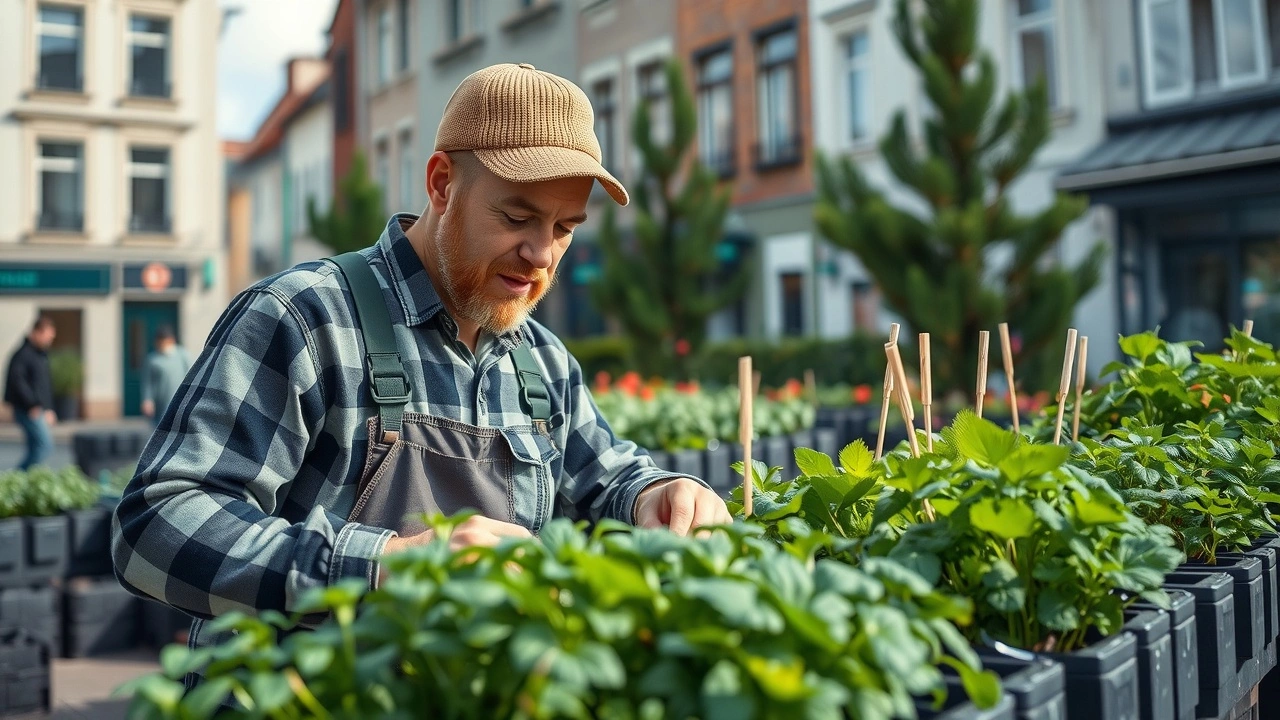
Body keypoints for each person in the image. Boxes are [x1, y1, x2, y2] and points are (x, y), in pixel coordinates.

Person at [112, 62, 731, 688]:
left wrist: (659, 494)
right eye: (517, 218)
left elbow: (610, 480)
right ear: (441, 184)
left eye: (564, 228)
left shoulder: (541, 360)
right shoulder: (304, 318)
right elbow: (154, 526)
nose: (541, 254)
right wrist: (386, 566)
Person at [4, 316, 57, 470]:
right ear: (37, 332)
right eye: (47, 336)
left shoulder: (40, 355)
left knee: (35, 447)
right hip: (29, 410)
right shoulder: (23, 354)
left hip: (37, 408)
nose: (49, 341)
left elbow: (43, 385)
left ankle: (26, 478)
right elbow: (18, 382)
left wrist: (49, 408)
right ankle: (18, 476)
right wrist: (32, 405)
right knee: (44, 445)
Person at [139, 325, 191, 426]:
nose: (162, 344)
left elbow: (191, 375)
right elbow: (147, 382)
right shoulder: (152, 359)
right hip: (161, 402)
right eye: (160, 342)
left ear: (171, 340)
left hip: (180, 399)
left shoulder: (183, 355)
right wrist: (147, 400)